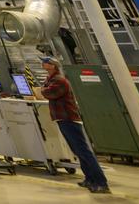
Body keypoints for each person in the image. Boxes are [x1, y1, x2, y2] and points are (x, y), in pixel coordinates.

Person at [40, 56, 110, 194]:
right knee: (78, 151)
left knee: (84, 151)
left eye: (45, 62)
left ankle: (101, 182)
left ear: (53, 65)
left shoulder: (59, 80)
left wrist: (42, 90)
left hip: (69, 119)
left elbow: (48, 93)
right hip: (62, 118)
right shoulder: (52, 79)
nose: (42, 64)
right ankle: (90, 179)